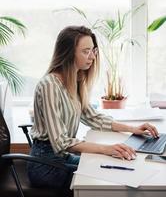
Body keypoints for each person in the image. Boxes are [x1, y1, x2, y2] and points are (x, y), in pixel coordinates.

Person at [27, 25, 158, 192]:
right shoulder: (49, 85)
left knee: (112, 165)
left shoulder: (75, 80)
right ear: (68, 53)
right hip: (45, 165)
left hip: (62, 157)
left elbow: (93, 117)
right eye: (85, 51)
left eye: (93, 50)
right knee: (98, 179)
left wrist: (134, 129)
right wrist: (107, 149)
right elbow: (61, 142)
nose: (92, 57)